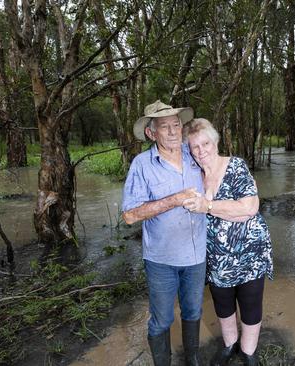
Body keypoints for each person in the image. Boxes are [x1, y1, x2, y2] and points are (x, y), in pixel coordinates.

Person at [181, 118, 273, 366]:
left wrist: (208, 206)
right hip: (216, 257)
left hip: (249, 253)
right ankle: (230, 344)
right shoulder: (193, 176)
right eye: (194, 147)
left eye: (206, 143)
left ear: (216, 141)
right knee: (222, 303)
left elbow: (250, 207)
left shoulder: (235, 166)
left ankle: (248, 351)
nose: (202, 151)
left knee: (250, 303)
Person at [121, 100, 206, 366]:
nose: (172, 131)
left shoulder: (195, 154)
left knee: (193, 311)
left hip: (196, 255)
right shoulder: (142, 164)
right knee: (162, 319)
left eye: (176, 125)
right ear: (151, 132)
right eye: (165, 127)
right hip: (161, 260)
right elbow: (130, 215)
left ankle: (192, 359)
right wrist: (174, 199)